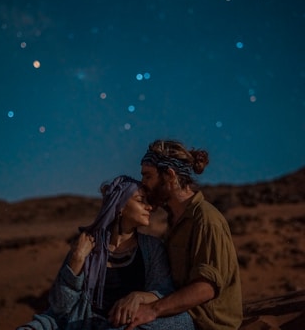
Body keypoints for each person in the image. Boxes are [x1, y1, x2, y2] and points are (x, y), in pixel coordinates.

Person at [17, 175, 195, 330]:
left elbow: (163, 291)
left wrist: (138, 297)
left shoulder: (152, 248)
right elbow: (60, 308)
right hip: (85, 324)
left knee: (182, 321)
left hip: (131, 325)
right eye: (141, 201)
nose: (149, 207)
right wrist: (77, 260)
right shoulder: (87, 246)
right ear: (120, 206)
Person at [125, 140, 243, 330]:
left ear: (170, 175)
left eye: (148, 176)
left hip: (205, 322)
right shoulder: (175, 219)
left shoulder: (205, 220)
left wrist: (153, 310)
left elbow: (206, 288)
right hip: (180, 311)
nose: (143, 184)